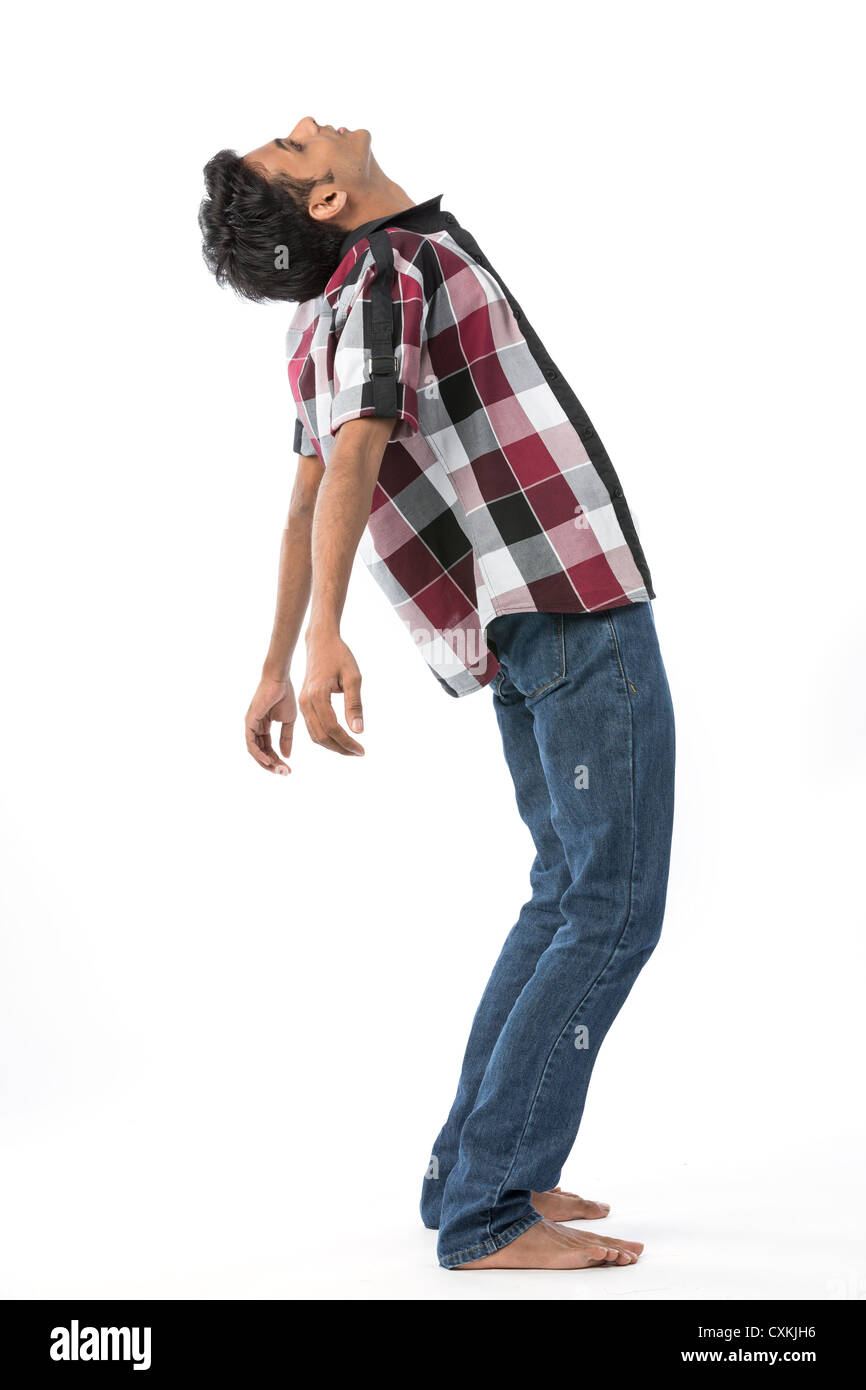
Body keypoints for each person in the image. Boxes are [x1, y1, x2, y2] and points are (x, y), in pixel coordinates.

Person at [198, 118, 675, 1270]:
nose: (308, 123)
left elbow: (304, 493)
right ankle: (486, 1213)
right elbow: (350, 453)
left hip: (533, 615)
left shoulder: (343, 299)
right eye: (285, 143)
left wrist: (273, 660)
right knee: (608, 907)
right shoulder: (388, 270)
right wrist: (317, 639)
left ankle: (476, 1173)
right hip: (565, 599)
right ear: (322, 203)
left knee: (565, 892)